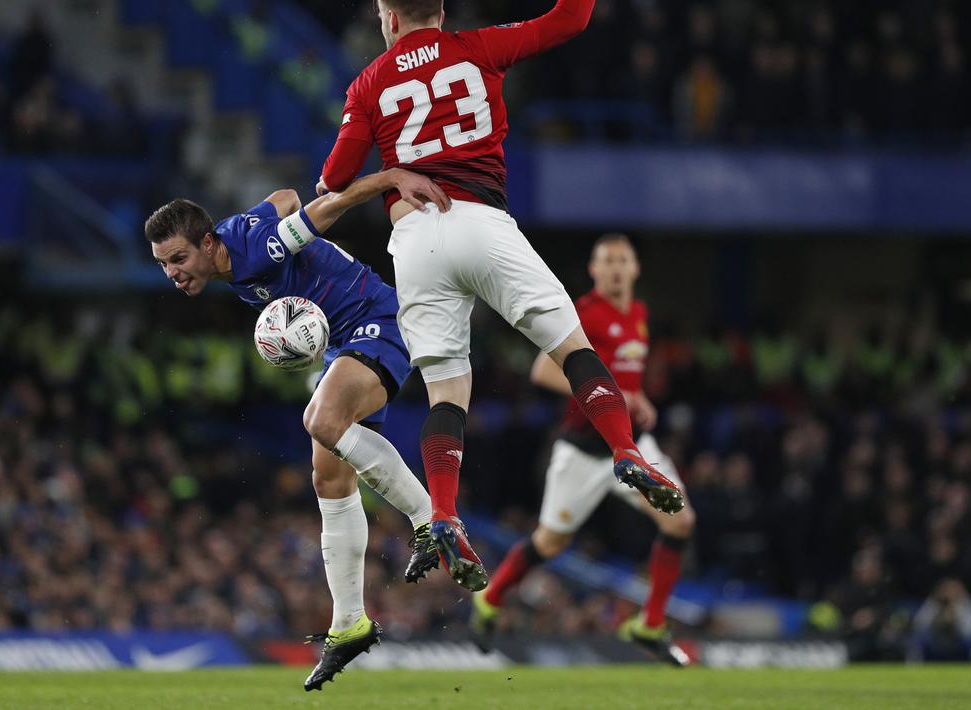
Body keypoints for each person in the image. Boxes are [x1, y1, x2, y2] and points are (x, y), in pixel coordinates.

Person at [318, 0, 683, 592]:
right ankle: (625, 451)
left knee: (446, 394)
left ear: (387, 18)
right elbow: (570, 18)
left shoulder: (369, 81)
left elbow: (334, 178)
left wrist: (375, 176)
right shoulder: (479, 47)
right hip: (482, 222)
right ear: (439, 9)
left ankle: (442, 511)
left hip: (413, 237)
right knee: (572, 348)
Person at [145, 168, 450, 691]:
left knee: (321, 420)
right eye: (163, 264)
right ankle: (349, 622)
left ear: (208, 242)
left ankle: (433, 519)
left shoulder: (258, 249)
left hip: (378, 322)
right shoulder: (235, 244)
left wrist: (390, 179)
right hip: (342, 344)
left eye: (178, 258)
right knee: (329, 479)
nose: (172, 272)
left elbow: (328, 207)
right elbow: (285, 196)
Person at [469, 234, 695, 666]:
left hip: (631, 446)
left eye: (622, 260)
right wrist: (618, 394)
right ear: (593, 270)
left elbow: (625, 377)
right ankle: (489, 600)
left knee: (681, 521)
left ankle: (650, 624)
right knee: (550, 543)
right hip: (581, 451)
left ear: (635, 269)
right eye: (606, 261)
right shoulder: (586, 313)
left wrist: (635, 396)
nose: (614, 268)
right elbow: (543, 371)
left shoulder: (639, 314)